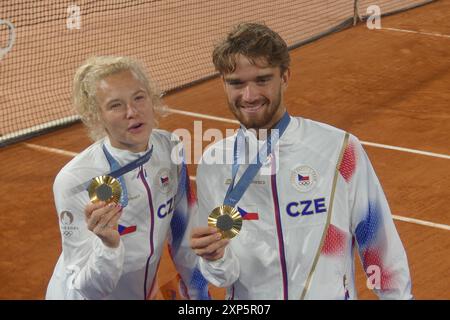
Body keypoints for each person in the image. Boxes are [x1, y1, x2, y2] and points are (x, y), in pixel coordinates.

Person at [190, 23, 413, 300]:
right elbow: (223, 275)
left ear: (285, 77)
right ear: (223, 84)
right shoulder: (214, 163)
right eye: (236, 83)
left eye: (262, 80)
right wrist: (215, 259)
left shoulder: (339, 149)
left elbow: (379, 244)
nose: (249, 96)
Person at [46, 56, 208, 300]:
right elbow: (85, 288)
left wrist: (200, 294)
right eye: (115, 105)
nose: (132, 112)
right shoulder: (75, 180)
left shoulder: (169, 147)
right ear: (96, 115)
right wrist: (109, 246)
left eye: (139, 97)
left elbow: (183, 232)